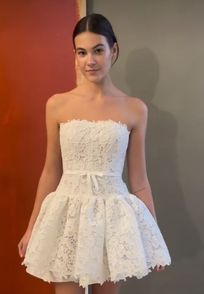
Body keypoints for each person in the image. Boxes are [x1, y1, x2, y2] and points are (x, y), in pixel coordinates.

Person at [18, 13, 171, 294]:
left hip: (110, 218)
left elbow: (139, 181)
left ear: (113, 50)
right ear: (75, 56)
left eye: (98, 50)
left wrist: (154, 237)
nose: (90, 60)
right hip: (67, 215)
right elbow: (51, 170)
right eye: (82, 52)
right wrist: (32, 228)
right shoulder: (57, 105)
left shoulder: (135, 109)